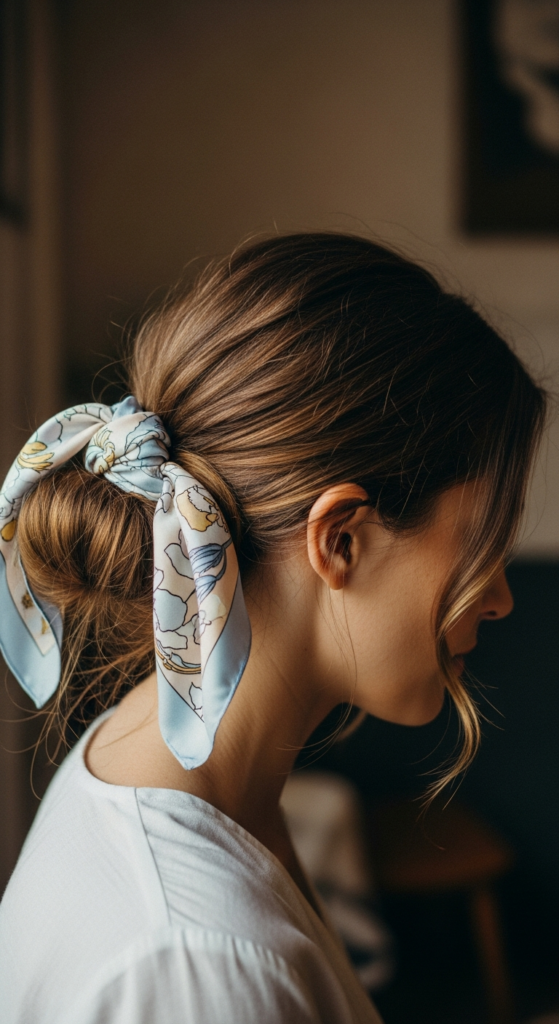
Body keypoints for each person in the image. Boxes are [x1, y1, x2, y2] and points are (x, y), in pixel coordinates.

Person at [0, 233, 545, 1023]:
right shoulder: (198, 968)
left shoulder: (157, 763)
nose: (498, 599)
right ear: (341, 540)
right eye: (481, 546)